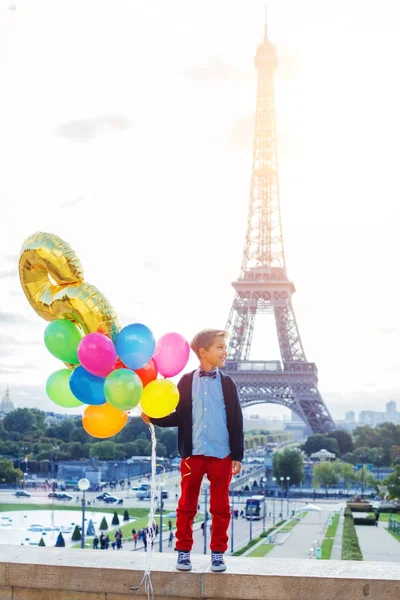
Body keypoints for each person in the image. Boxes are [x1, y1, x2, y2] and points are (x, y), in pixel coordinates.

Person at [142, 329, 243, 573]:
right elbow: (179, 415)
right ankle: (183, 551)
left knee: (221, 507)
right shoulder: (186, 381)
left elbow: (236, 420)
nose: (224, 351)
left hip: (221, 454)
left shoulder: (228, 384)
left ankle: (218, 553)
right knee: (186, 505)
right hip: (192, 454)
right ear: (203, 352)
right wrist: (154, 418)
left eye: (224, 347)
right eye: (219, 347)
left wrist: (237, 455)